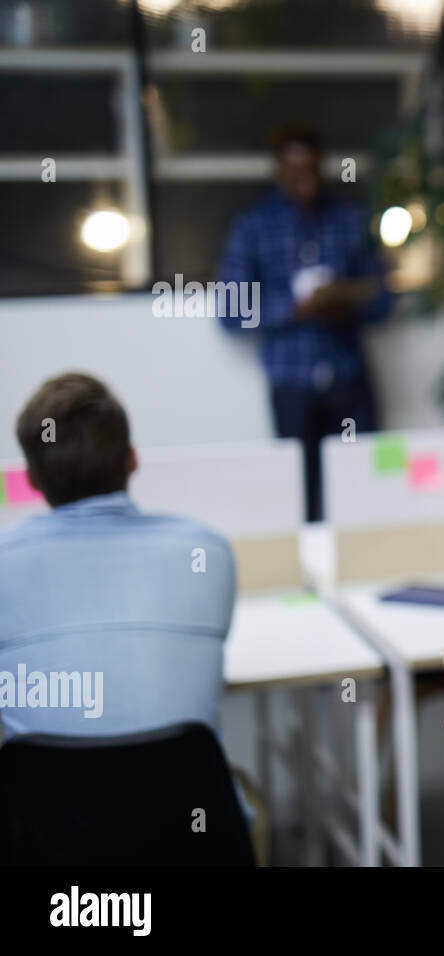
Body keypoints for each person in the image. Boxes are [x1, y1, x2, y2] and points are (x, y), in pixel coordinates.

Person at [0, 373, 268, 861]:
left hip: (52, 855)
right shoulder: (204, 551)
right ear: (132, 459)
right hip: (194, 848)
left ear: (33, 479)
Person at [218, 123, 392, 523]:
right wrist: (296, 308)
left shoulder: (350, 219)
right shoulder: (253, 228)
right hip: (292, 384)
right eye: (295, 172)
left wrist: (343, 300)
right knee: (301, 496)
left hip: (349, 378)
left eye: (312, 170)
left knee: (366, 488)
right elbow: (231, 314)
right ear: (278, 172)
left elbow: (383, 296)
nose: (305, 181)